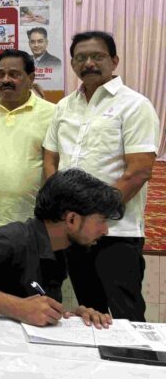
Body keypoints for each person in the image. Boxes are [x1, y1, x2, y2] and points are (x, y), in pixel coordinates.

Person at [44, 31, 160, 321]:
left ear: (114, 61)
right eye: (81, 58)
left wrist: (94, 216)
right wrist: (62, 211)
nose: (89, 63)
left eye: (97, 56)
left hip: (116, 231)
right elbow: (51, 159)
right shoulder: (64, 106)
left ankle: (134, 354)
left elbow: (139, 171)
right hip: (74, 230)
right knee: (91, 313)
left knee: (127, 316)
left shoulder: (135, 105)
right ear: (72, 63)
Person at [0, 169, 122, 328]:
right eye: (101, 220)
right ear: (72, 219)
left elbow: (35, 308)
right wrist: (18, 307)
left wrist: (71, 319)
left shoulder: (62, 248)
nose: (105, 230)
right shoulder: (12, 239)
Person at [0, 50, 55, 235]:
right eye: (0, 74)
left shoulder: (52, 113)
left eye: (14, 74)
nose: (5, 80)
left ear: (31, 78)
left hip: (34, 220)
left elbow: (55, 164)